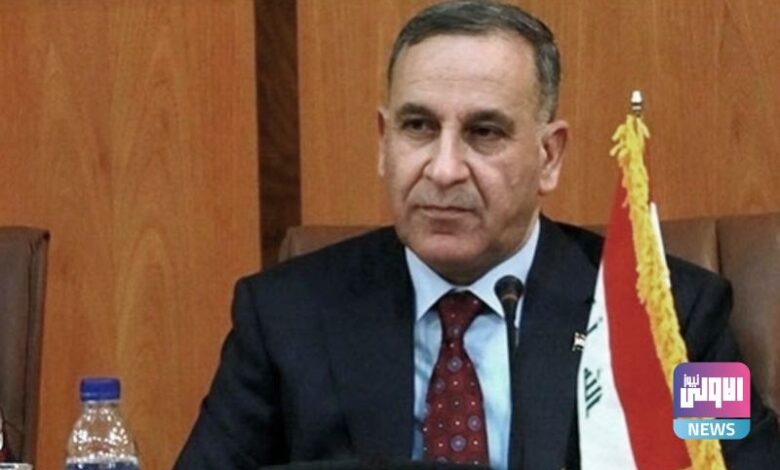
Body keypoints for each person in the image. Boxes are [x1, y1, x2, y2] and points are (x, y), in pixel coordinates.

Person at [175, 1, 780, 469]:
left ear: (548, 156)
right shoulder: (285, 315)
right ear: (384, 143)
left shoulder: (668, 317)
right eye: (418, 126)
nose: (443, 170)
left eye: (484, 132)